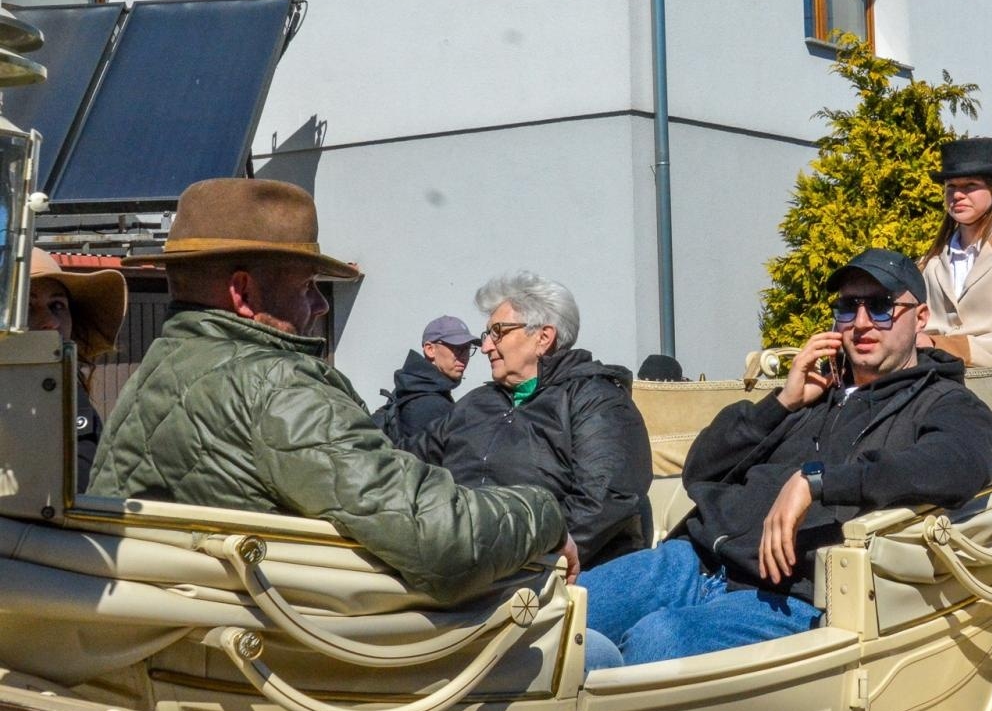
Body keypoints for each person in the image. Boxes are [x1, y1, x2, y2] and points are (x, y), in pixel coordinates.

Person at [88, 179, 579, 606]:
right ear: (243, 292)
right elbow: (439, 539)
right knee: (601, 637)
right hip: (315, 661)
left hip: (193, 645)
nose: (321, 306)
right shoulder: (279, 389)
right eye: (307, 287)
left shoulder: (149, 376)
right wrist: (543, 514)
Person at [580, 248, 992, 666]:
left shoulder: (943, 401)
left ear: (920, 317)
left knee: (655, 642)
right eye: (848, 307)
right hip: (691, 561)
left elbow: (957, 463)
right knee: (562, 616)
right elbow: (700, 471)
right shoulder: (813, 393)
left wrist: (816, 482)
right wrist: (781, 401)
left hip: (786, 597)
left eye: (880, 307)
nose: (861, 323)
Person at [407, 272, 652, 567]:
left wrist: (529, 554)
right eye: (486, 335)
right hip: (456, 560)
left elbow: (604, 501)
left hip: (550, 572)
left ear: (543, 338)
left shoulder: (596, 400)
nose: (485, 347)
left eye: (497, 332)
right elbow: (410, 465)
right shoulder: (474, 404)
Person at [918, 137, 992, 367]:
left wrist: (945, 346)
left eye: (970, 185)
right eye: (951, 187)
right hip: (935, 376)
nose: (957, 195)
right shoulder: (930, 263)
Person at [27, 249, 127, 494]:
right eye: (27, 307)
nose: (51, 322)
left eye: (57, 305)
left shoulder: (68, 393)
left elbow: (82, 484)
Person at [372, 315, 477, 442]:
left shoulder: (410, 385)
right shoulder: (432, 404)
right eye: (457, 348)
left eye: (467, 349)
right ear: (430, 349)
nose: (464, 356)